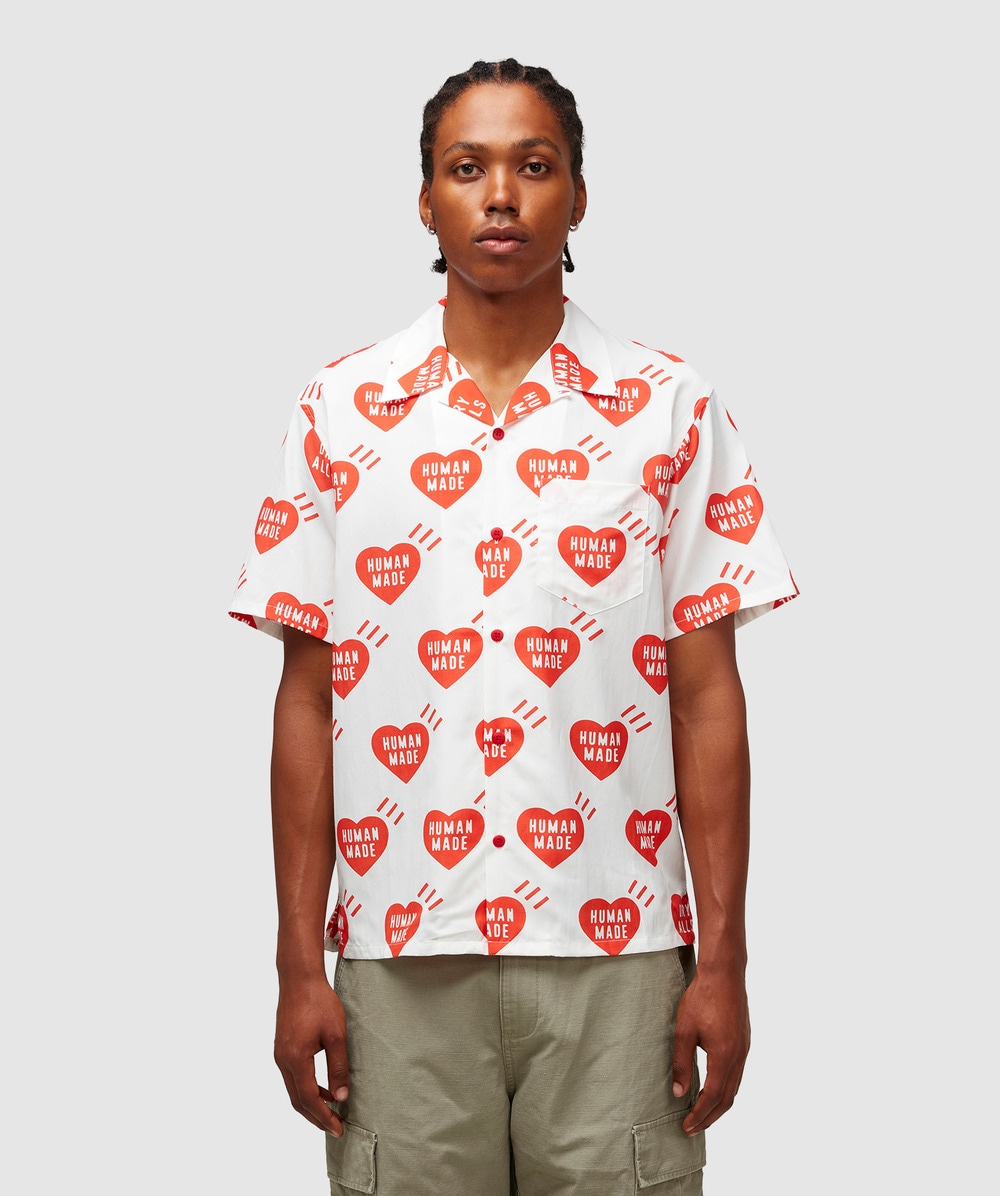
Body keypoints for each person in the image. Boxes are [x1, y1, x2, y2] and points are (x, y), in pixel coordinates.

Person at [228, 58, 797, 1196]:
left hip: (620, 955)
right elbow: (309, 696)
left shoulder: (668, 408)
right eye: (466, 167)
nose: (500, 195)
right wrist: (297, 961)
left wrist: (723, 962)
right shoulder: (340, 410)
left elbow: (706, 697)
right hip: (398, 955)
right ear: (424, 199)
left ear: (579, 197)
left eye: (534, 166)